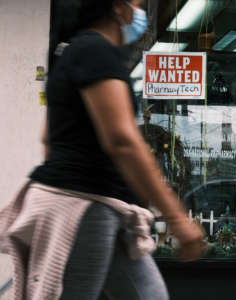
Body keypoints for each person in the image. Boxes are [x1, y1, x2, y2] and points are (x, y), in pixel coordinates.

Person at [0, 0, 205, 299]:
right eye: (136, 3)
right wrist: (177, 218)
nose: (141, 12)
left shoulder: (78, 52)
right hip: (85, 206)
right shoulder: (95, 52)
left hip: (108, 206)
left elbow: (48, 138)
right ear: (117, 8)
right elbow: (122, 140)